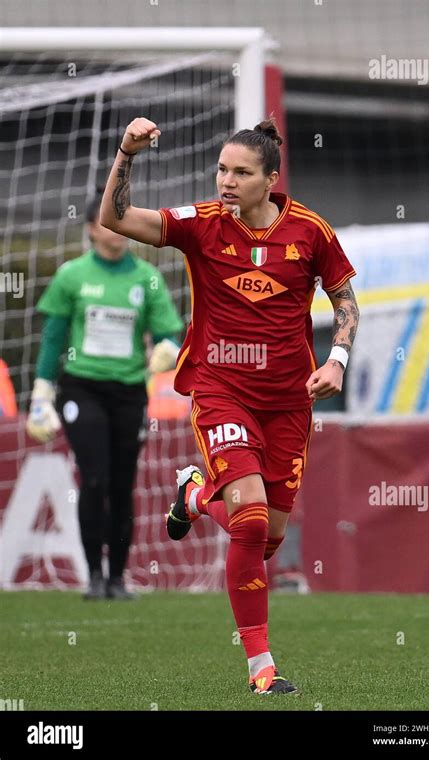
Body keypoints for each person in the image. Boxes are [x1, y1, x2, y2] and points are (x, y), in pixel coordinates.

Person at [100, 116, 359, 691]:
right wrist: (127, 152)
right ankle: (262, 669)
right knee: (248, 520)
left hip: (290, 401)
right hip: (221, 391)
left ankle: (194, 495)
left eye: (241, 172)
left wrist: (336, 359)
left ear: (270, 179)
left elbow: (345, 300)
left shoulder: (311, 232)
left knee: (267, 539)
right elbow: (114, 217)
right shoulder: (200, 225)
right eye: (221, 169)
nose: (226, 181)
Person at [26, 190, 183, 600]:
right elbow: (53, 338)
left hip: (129, 391)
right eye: (108, 220)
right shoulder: (72, 276)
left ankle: (117, 578)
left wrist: (167, 349)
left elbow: (169, 331)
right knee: (93, 477)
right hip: (82, 388)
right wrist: (42, 393)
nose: (118, 229)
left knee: (121, 483)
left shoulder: (145, 278)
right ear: (91, 228)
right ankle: (93, 575)